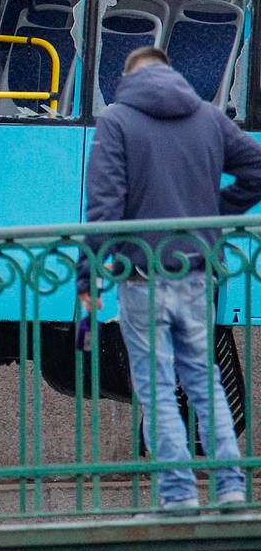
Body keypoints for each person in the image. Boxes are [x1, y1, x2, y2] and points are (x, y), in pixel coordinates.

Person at [81, 46, 261, 513]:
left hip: (142, 278)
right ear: (169, 72)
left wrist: (88, 273)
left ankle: (178, 495)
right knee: (205, 383)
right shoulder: (207, 117)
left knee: (157, 387)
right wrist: (215, 216)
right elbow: (256, 170)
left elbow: (104, 207)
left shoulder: (117, 121)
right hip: (197, 274)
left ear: (129, 77)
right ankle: (232, 487)